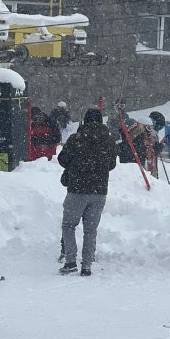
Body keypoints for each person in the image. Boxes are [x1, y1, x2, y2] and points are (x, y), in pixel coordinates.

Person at [56, 107, 117, 276]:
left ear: (85, 121)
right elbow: (112, 165)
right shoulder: (109, 141)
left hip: (77, 189)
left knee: (69, 226)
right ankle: (87, 265)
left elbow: (62, 160)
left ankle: (70, 261)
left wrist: (77, 165)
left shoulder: (76, 139)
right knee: (90, 230)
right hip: (99, 191)